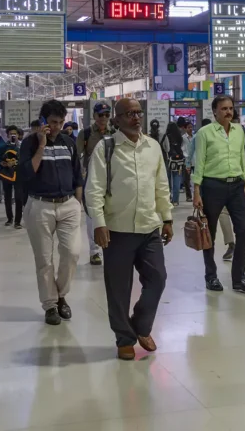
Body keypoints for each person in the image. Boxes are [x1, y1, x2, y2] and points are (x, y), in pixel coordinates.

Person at [89, 99, 174, 359]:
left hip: (149, 226)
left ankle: (141, 325)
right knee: (118, 288)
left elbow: (161, 185)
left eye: (138, 113)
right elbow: (94, 190)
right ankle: (124, 338)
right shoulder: (106, 148)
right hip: (117, 229)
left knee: (157, 278)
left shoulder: (153, 147)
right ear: (117, 119)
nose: (136, 118)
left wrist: (167, 218)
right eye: (129, 114)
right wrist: (99, 224)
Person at [19, 99, 84, 325]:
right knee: (44, 259)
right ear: (44, 120)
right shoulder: (29, 143)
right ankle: (50, 305)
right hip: (40, 206)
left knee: (72, 252)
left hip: (68, 204)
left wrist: (78, 202)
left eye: (60, 122)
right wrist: (41, 144)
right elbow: (27, 174)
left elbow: (77, 174)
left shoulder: (69, 142)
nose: (57, 126)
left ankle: (61, 294)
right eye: (53, 122)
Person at [192, 94, 245, 294]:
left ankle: (239, 278)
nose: (228, 112)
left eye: (230, 108)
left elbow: (242, 157)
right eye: (224, 109)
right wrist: (196, 190)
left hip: (237, 185)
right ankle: (211, 276)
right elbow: (199, 161)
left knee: (243, 230)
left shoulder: (239, 131)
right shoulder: (205, 133)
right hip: (213, 186)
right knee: (209, 233)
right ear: (215, 111)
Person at [77, 102, 114, 266]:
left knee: (111, 213)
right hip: (91, 179)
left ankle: (109, 247)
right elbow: (77, 158)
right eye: (101, 115)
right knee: (92, 214)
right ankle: (94, 251)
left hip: (112, 179)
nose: (104, 118)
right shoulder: (85, 134)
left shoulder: (115, 133)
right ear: (94, 116)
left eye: (107, 115)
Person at [0, 126, 23, 227]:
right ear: (7, 135)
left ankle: (17, 221)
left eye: (15, 134)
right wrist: (3, 163)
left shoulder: (21, 146)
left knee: (18, 197)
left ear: (18, 135)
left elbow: (25, 158)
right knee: (7, 197)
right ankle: (9, 218)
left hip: (19, 174)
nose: (13, 135)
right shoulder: (4, 147)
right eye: (11, 134)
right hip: (7, 174)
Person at [160, 121, 187, 206]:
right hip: (178, 161)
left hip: (169, 160)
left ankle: (168, 198)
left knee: (167, 180)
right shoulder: (180, 137)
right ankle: (175, 200)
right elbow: (182, 148)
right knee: (177, 178)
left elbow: (167, 149)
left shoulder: (166, 136)